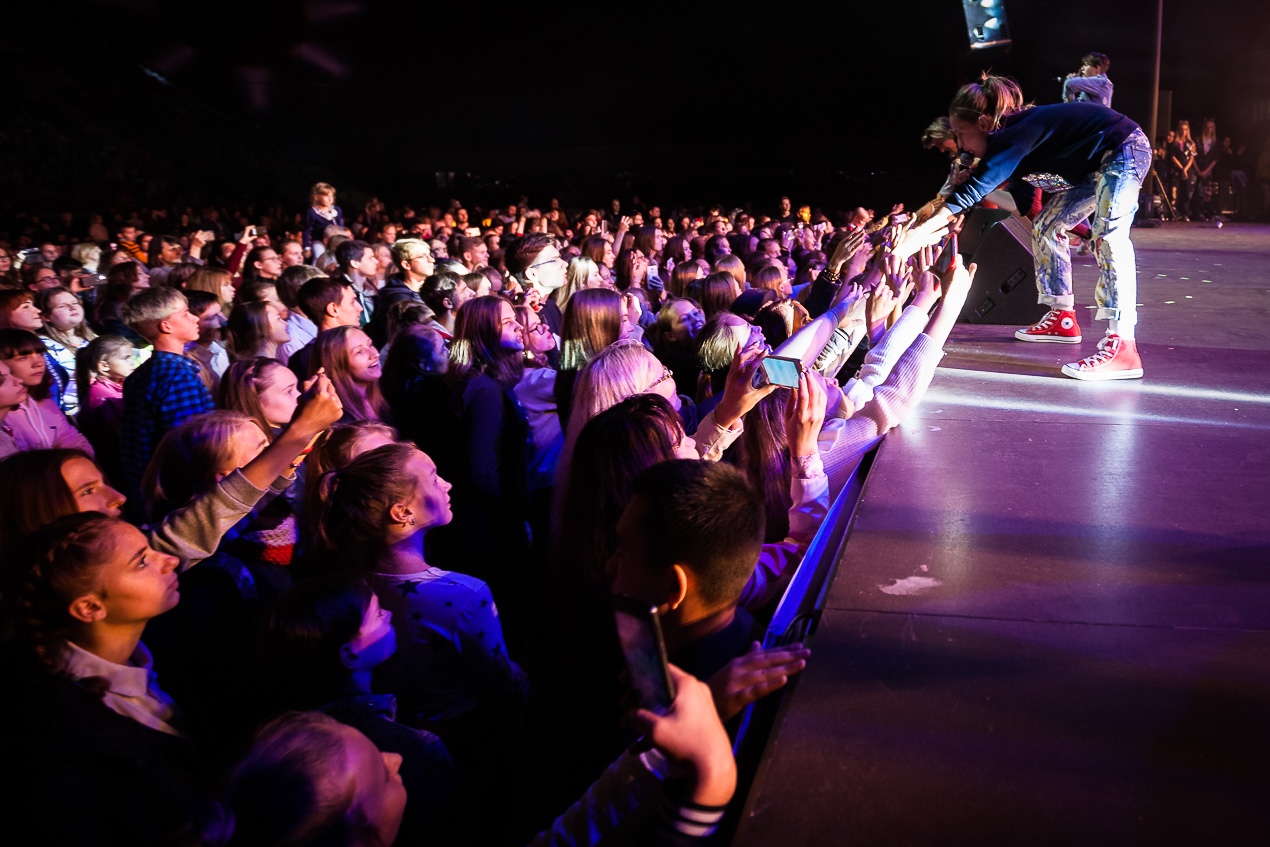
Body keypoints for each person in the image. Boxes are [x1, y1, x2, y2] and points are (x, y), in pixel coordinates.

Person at [910, 73, 1152, 380]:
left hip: (1123, 149)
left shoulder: (1013, 134)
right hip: (1093, 167)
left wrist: (919, 232)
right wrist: (969, 188)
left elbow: (973, 192)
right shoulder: (1017, 153)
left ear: (984, 124)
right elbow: (1030, 207)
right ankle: (1062, 317)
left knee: (1109, 237)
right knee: (1048, 228)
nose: (961, 147)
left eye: (961, 135)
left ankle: (1123, 348)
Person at [118, 287, 214, 510]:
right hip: (178, 496)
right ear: (166, 325)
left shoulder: (141, 373)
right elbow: (189, 444)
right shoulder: (176, 376)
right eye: (185, 313)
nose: (194, 317)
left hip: (148, 492)